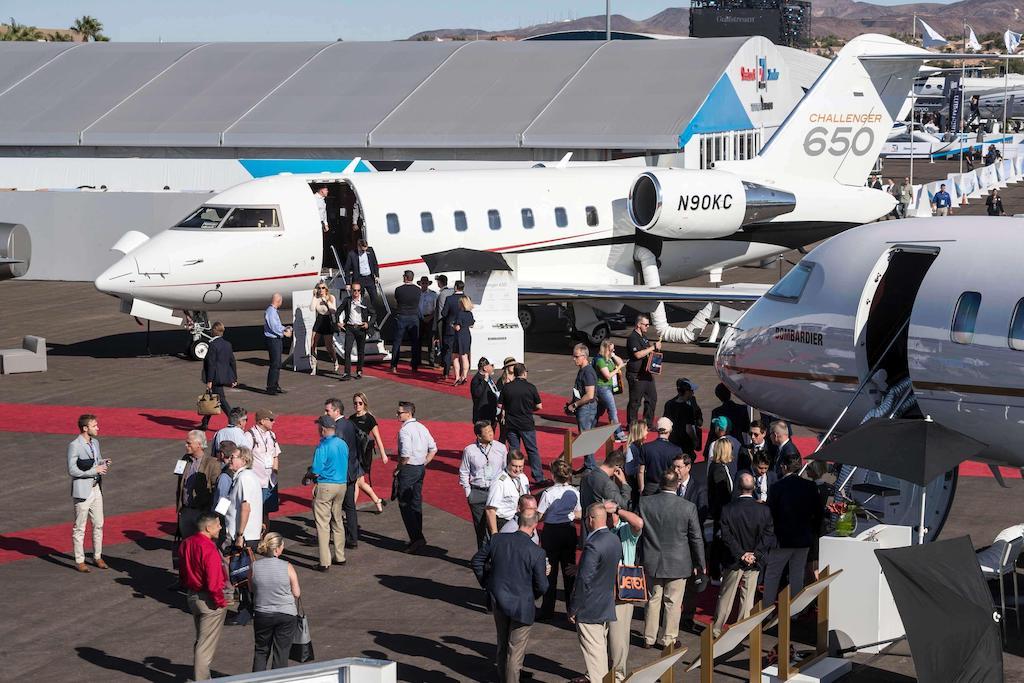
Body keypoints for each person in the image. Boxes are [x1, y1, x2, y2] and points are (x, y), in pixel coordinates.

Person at [471, 511, 548, 683]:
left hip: (498, 600)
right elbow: (542, 585)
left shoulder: (498, 540)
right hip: (522, 605)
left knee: (502, 642)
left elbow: (477, 561)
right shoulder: (537, 552)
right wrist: (532, 595)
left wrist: (487, 584)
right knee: (515, 651)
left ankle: (502, 676)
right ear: (535, 526)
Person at [638, 470, 705, 649]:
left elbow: (638, 532)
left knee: (653, 600)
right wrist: (700, 563)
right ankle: (669, 639)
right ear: (678, 484)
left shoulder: (645, 503)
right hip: (679, 561)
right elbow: (696, 538)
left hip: (652, 560)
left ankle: (649, 638)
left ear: (660, 483)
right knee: (673, 602)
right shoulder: (688, 507)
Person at [711, 473, 776, 639]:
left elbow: (726, 536)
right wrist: (755, 554)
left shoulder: (728, 509)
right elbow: (768, 535)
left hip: (734, 560)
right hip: (754, 560)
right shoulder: (763, 510)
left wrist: (741, 554)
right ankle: (742, 631)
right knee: (747, 598)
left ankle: (717, 630)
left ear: (738, 488)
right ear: (753, 488)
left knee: (726, 596)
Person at [568, 503, 623, 683]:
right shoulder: (614, 540)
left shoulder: (592, 545)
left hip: (589, 607)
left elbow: (584, 580)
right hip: (605, 604)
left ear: (590, 519)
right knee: (600, 650)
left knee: (595, 656)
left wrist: (574, 608)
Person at [762, 452, 823, 606]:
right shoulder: (810, 486)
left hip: (781, 540)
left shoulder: (776, 487)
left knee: (772, 575)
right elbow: (819, 513)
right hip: (803, 539)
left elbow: (770, 515)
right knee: (797, 574)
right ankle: (795, 610)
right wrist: (811, 532)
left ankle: (767, 608)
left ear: (783, 467)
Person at [180, 512, 227, 682]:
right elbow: (214, 581)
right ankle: (202, 679)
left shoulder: (187, 543)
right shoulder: (209, 548)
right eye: (218, 524)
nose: (220, 527)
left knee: (201, 640)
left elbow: (183, 572)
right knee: (205, 646)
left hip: (192, 595)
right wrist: (220, 602)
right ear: (208, 527)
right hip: (209, 600)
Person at [605, 500, 644, 682]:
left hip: (622, 590)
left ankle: (618, 675)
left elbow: (639, 523)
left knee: (619, 638)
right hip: (603, 590)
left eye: (608, 513)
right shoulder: (601, 530)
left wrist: (619, 510)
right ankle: (603, 673)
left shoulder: (625, 529)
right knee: (602, 636)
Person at [537, 459, 581, 620]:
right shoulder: (575, 492)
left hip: (551, 533)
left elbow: (539, 516)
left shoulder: (548, 493)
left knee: (550, 571)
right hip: (568, 531)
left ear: (553, 475)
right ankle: (572, 609)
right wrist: (568, 514)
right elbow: (579, 513)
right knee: (569, 571)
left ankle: (547, 610)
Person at [252, 532, 301, 671]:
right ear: (277, 549)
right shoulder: (287, 566)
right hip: (286, 614)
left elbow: (251, 587)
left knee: (261, 651)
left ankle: (257, 681)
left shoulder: (255, 566)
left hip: (263, 613)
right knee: (281, 653)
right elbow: (297, 593)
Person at [307, 415, 349, 571]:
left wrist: (310, 474)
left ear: (323, 429)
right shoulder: (342, 444)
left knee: (322, 524)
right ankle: (340, 555)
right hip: (341, 485)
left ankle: (325, 561)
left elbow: (316, 470)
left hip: (326, 485)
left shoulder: (323, 446)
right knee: (337, 520)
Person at [68, 414, 108, 572]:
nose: (98, 428)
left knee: (99, 524)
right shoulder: (75, 445)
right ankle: (80, 560)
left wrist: (102, 463)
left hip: (96, 488)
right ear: (85, 428)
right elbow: (72, 470)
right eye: (94, 425)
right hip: (83, 491)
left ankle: (97, 556)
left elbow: (95, 460)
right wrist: (94, 470)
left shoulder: (95, 442)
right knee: (80, 527)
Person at [395, 401, 437, 553]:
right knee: (416, 502)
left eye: (399, 412)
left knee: (405, 504)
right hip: (420, 468)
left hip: (409, 468)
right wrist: (424, 462)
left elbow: (405, 454)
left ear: (408, 413)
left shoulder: (405, 431)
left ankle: (417, 538)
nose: (397, 415)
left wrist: (399, 468)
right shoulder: (422, 427)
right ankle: (417, 537)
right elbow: (433, 448)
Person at [459, 420, 508, 549]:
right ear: (479, 436)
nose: (491, 433)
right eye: (487, 432)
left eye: (491, 430)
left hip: (496, 492)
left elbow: (505, 470)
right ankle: (483, 561)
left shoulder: (500, 447)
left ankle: (496, 556)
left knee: (496, 527)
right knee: (480, 529)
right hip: (478, 492)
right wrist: (469, 493)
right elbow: (464, 472)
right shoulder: (469, 450)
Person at [674, 452, 708, 634]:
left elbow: (700, 516)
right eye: (674, 467)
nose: (676, 470)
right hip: (672, 543)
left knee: (691, 584)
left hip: (689, 542)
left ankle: (687, 617)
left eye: (679, 467)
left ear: (688, 467)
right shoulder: (669, 486)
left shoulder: (699, 489)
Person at [498, 363, 547, 485]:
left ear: (514, 373)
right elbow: (539, 406)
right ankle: (538, 477)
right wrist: (529, 409)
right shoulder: (531, 387)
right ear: (524, 373)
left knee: (514, 451)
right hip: (526, 424)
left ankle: (514, 475)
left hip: (511, 424)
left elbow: (499, 405)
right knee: (532, 451)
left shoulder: (507, 387)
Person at [325, 398, 362, 549]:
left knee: (333, 507)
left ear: (337, 411)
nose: (326, 413)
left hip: (339, 475)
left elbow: (334, 453)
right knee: (350, 507)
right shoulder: (349, 423)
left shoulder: (338, 428)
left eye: (328, 410)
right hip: (351, 471)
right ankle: (352, 538)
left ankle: (334, 536)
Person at [177, 430, 222, 540]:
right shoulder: (185, 459)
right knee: (187, 544)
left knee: (203, 544)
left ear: (199, 445)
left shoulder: (212, 463)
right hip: (186, 511)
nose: (186, 445)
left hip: (202, 512)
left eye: (189, 443)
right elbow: (180, 483)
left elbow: (216, 489)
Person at [349, 392, 389, 510]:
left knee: (356, 482)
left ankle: (350, 510)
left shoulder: (369, 419)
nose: (357, 405)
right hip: (354, 454)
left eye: (360, 403)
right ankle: (377, 501)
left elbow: (377, 437)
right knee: (360, 483)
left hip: (364, 454)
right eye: (355, 403)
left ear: (364, 404)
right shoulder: (351, 419)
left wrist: (383, 454)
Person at [566, 343, 599, 470]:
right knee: (586, 437)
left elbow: (590, 395)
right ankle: (588, 465)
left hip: (587, 408)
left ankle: (591, 467)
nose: (574, 359)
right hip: (586, 408)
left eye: (576, 356)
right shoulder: (584, 370)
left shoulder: (588, 372)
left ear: (584, 356)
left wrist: (575, 404)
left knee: (586, 439)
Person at [625, 313, 661, 427]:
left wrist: (656, 353)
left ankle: (647, 423)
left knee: (652, 399)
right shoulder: (632, 338)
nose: (647, 326)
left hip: (646, 373)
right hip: (636, 375)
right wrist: (653, 347)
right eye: (646, 324)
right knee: (635, 401)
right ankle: (632, 425)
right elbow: (638, 354)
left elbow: (648, 352)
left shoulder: (644, 338)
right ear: (639, 324)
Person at [200, 321, 237, 430]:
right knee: (213, 399)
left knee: (220, 399)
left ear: (214, 331)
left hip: (215, 377)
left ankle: (233, 418)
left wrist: (209, 380)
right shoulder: (227, 344)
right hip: (224, 376)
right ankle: (205, 422)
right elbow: (232, 361)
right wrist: (234, 377)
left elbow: (211, 364)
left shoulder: (212, 345)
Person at [248, 409, 281, 528]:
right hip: (257, 482)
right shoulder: (250, 435)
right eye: (271, 419)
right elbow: (245, 458)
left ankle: (263, 540)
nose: (274, 422)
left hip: (270, 481)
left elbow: (275, 455)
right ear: (262, 421)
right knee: (256, 512)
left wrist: (275, 475)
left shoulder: (271, 435)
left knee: (266, 512)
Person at [579, 451, 631, 526]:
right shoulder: (608, 484)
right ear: (617, 468)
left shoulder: (587, 476)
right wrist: (624, 483)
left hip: (586, 524)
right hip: (598, 528)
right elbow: (624, 505)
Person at [486, 451, 531, 535]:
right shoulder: (499, 482)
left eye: (520, 466)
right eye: (514, 466)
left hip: (521, 521)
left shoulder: (523, 478)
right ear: (507, 463)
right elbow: (490, 510)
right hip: (505, 522)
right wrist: (494, 534)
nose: (517, 470)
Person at [338, 279, 375, 380]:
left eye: (358, 290)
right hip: (350, 328)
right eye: (354, 290)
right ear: (351, 291)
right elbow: (338, 311)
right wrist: (338, 322)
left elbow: (373, 314)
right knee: (347, 350)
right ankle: (347, 373)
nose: (356, 292)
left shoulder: (365, 301)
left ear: (360, 291)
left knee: (360, 351)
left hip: (361, 328)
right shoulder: (347, 300)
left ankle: (359, 371)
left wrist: (368, 323)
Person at [637, 417, 682, 496]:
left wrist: (642, 488)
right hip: (668, 487)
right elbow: (678, 471)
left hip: (650, 487)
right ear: (669, 431)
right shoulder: (676, 450)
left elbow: (641, 471)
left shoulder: (646, 447)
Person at [593, 339, 627, 441]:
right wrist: (618, 369)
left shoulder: (608, 358)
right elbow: (607, 376)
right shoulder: (600, 360)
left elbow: (621, 362)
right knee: (612, 410)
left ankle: (590, 428)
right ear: (606, 349)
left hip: (608, 388)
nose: (613, 350)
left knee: (598, 411)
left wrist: (613, 355)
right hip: (602, 388)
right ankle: (618, 433)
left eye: (613, 349)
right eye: (611, 349)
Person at [391, 270, 422, 374]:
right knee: (415, 342)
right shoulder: (418, 290)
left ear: (405, 277)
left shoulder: (399, 289)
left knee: (397, 342)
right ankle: (414, 366)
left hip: (402, 315)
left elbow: (397, 300)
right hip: (414, 316)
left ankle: (394, 365)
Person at [662, 378, 702, 456]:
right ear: (686, 392)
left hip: (672, 439)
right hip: (684, 442)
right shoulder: (687, 408)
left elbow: (665, 422)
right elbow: (689, 429)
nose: (693, 393)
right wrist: (695, 440)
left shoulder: (669, 404)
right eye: (691, 391)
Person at [263, 293, 291, 395]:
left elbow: (277, 325)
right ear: (278, 301)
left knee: (278, 363)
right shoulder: (271, 312)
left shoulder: (273, 311)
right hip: (273, 340)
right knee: (275, 364)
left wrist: (285, 328)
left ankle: (275, 385)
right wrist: (284, 332)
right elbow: (273, 326)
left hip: (276, 339)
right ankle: (271, 387)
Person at [439, 279, 467, 379]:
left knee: (448, 351)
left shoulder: (449, 299)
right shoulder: (466, 299)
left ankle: (446, 373)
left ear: (455, 287)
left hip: (450, 328)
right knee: (463, 353)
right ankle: (463, 375)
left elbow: (444, 313)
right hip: (463, 329)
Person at [309, 282, 338, 375]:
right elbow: (312, 309)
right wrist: (314, 296)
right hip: (319, 320)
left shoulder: (331, 297)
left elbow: (333, 310)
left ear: (326, 289)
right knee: (313, 343)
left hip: (327, 321)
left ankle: (335, 360)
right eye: (319, 288)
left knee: (328, 345)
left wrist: (326, 301)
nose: (321, 290)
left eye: (323, 288)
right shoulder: (316, 298)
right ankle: (314, 366)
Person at [343, 238, 379, 306]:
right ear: (358, 247)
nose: (364, 251)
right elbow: (347, 269)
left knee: (374, 297)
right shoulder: (352, 254)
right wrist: (347, 283)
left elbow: (375, 263)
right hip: (359, 279)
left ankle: (373, 313)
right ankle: (362, 314)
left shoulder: (370, 250)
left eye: (365, 250)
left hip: (369, 278)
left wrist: (376, 275)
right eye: (362, 250)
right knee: (359, 298)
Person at [451, 295, 475, 385]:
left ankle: (457, 377)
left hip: (459, 336)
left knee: (455, 357)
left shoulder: (460, 314)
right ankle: (464, 376)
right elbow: (472, 324)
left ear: (461, 304)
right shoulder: (470, 313)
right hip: (467, 335)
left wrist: (452, 325)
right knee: (465, 356)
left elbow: (457, 327)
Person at [433, 274, 455, 374]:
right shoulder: (451, 291)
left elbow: (441, 310)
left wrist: (437, 324)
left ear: (440, 283)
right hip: (452, 320)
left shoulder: (442, 294)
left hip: (442, 320)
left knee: (442, 343)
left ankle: (444, 363)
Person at [470, 357, 500, 427]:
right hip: (482, 416)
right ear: (485, 368)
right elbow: (477, 394)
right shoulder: (477, 379)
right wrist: (485, 381)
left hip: (491, 413)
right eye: (492, 365)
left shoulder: (488, 377)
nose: (494, 368)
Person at [415, 276, 438, 365]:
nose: (424, 285)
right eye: (422, 283)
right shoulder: (417, 294)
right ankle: (418, 359)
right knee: (418, 339)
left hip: (430, 318)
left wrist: (430, 317)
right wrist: (420, 317)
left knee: (430, 340)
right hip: (420, 318)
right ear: (420, 284)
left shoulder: (433, 294)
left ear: (428, 284)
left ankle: (431, 360)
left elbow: (436, 308)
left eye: (425, 283)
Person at [623, 420, 646, 509]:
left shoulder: (639, 446)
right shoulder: (631, 449)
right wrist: (642, 468)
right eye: (646, 430)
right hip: (634, 485)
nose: (648, 432)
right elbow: (628, 470)